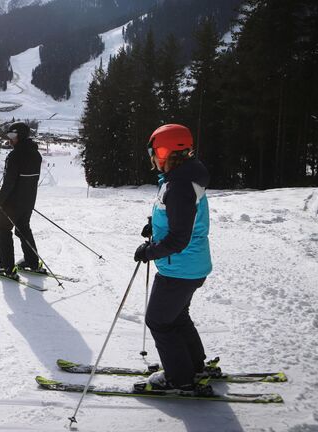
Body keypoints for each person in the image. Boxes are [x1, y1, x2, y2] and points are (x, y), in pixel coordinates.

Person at [133, 124, 213, 394]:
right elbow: (178, 219)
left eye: (153, 152)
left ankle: (180, 378)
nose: (152, 158)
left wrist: (149, 251)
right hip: (189, 265)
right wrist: (154, 229)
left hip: (179, 268)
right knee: (177, 316)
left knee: (159, 320)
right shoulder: (182, 178)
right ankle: (194, 366)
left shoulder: (179, 185)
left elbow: (179, 238)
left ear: (165, 151)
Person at [0, 122, 43, 280]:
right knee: (23, 229)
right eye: (9, 136)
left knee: (3, 230)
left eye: (13, 136)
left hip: (11, 203)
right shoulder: (36, 155)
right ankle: (32, 262)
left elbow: (9, 182)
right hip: (28, 201)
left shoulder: (14, 156)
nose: (10, 140)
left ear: (20, 136)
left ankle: (7, 268)